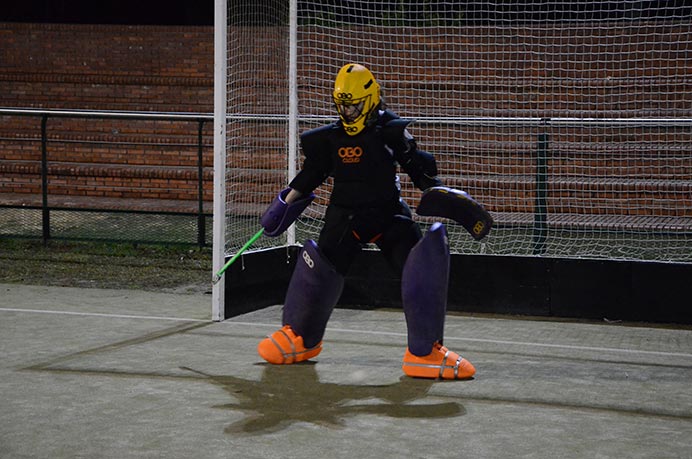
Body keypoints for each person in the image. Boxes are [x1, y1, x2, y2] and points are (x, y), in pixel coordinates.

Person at [257, 63, 490, 380]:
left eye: (353, 105)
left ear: (369, 99)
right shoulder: (331, 139)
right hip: (344, 217)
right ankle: (298, 338)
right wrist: (285, 203)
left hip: (388, 214)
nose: (348, 112)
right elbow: (310, 176)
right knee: (319, 265)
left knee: (422, 263)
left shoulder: (390, 131)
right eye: (342, 106)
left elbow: (420, 172)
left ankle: (424, 353)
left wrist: (442, 196)